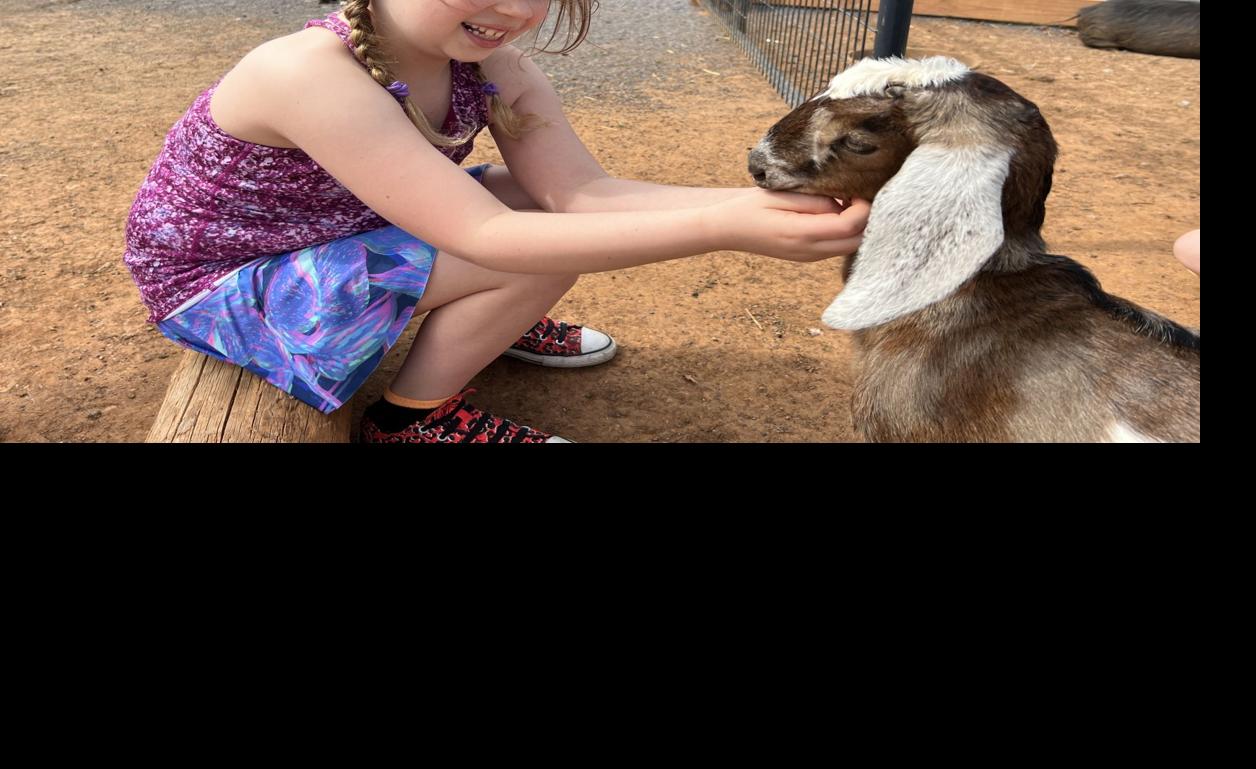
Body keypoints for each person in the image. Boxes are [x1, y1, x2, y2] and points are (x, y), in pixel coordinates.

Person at [125, 0, 869, 443]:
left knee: (533, 206)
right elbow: (487, 238)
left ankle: (488, 323)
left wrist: (746, 205)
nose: (514, 8)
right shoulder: (309, 72)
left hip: (333, 234)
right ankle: (415, 421)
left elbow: (579, 194)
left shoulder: (495, 67)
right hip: (225, 284)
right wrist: (724, 226)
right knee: (527, 251)